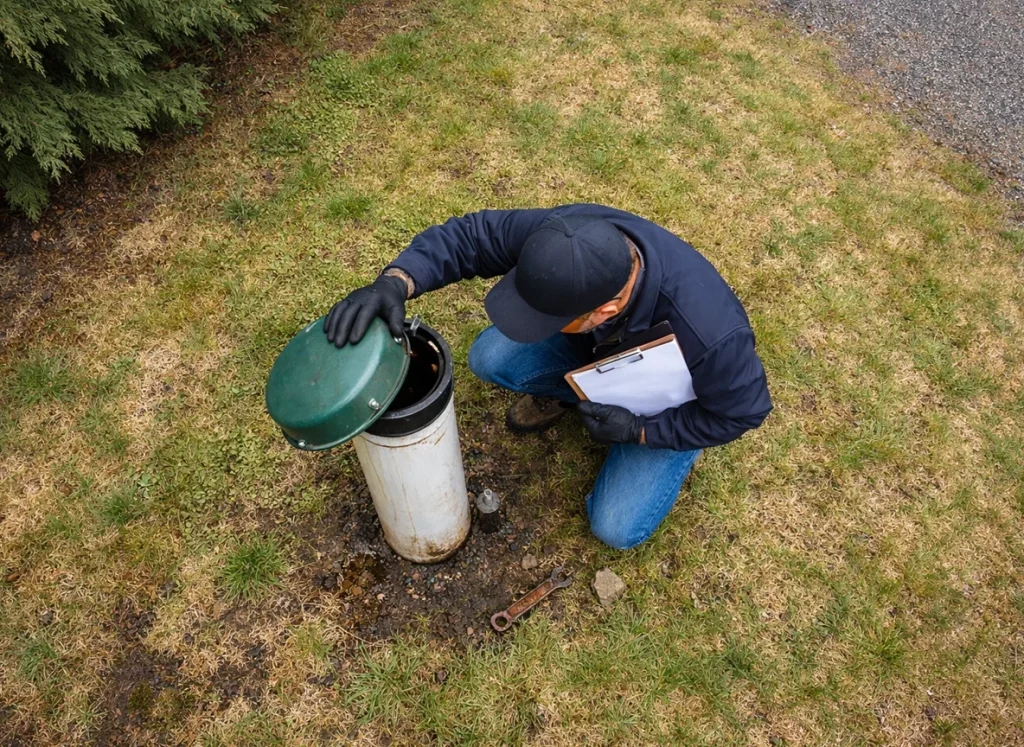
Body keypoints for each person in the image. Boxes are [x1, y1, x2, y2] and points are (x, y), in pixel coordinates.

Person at [323, 204, 772, 549]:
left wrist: (641, 430)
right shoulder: (567, 237)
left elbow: (741, 414)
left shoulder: (712, 335)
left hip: (668, 405)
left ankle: (665, 448)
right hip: (600, 356)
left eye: (549, 318)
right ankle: (574, 394)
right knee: (492, 355)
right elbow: (471, 237)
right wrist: (396, 282)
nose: (531, 322)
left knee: (615, 526)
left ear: (605, 311)